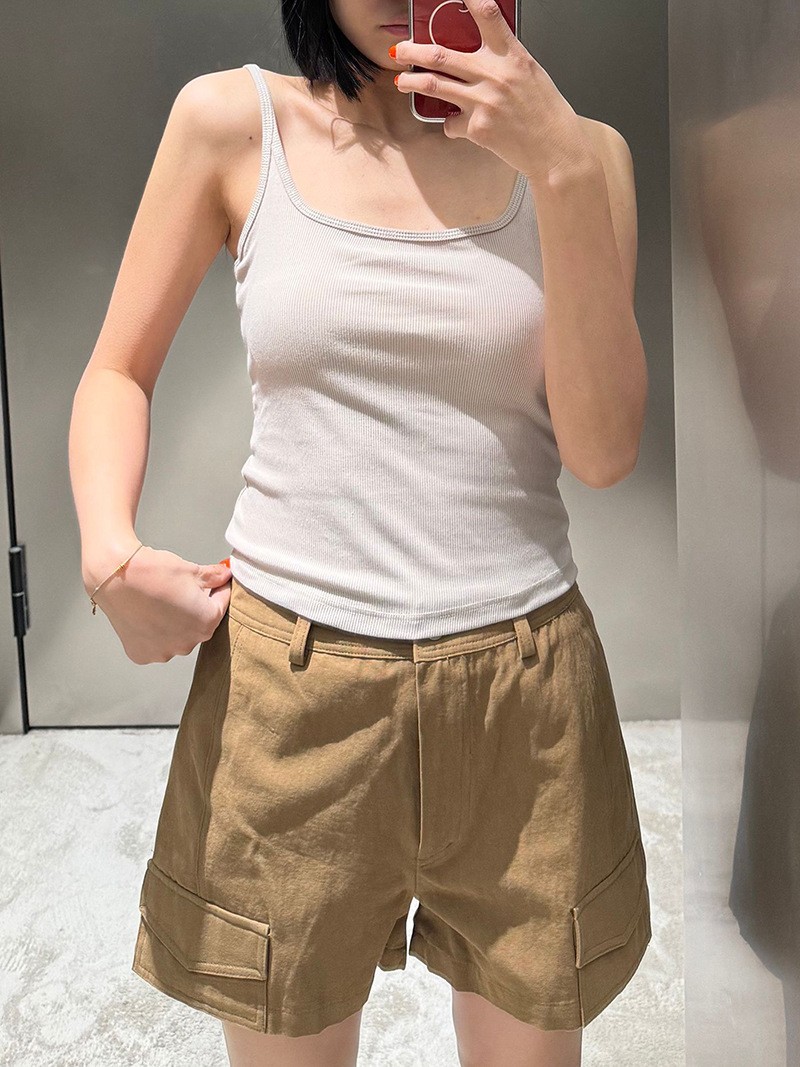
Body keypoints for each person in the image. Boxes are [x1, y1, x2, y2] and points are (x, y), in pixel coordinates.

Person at [69, 0, 651, 1063]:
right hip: (291, 698)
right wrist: (109, 554)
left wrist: (560, 166)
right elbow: (117, 369)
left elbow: (604, 449)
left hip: (527, 702)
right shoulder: (234, 123)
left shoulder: (584, 157)